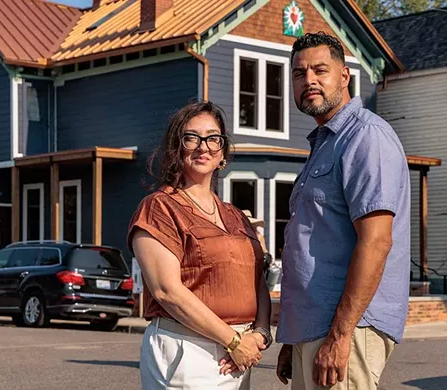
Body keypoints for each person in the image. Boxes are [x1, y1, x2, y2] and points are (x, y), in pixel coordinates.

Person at [275, 32, 411, 389]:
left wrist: (340, 335)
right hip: (315, 327)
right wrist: (293, 338)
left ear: (345, 76)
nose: (310, 81)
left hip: (347, 329)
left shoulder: (366, 138)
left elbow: (377, 242)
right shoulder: (325, 144)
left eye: (321, 70)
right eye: (299, 73)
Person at [127, 101, 272, 390]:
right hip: (188, 351)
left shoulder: (236, 216)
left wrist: (261, 334)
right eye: (191, 137)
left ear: (223, 152)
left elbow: (257, 280)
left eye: (213, 138)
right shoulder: (159, 208)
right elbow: (166, 291)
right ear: (175, 148)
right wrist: (232, 340)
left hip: (240, 353)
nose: (203, 147)